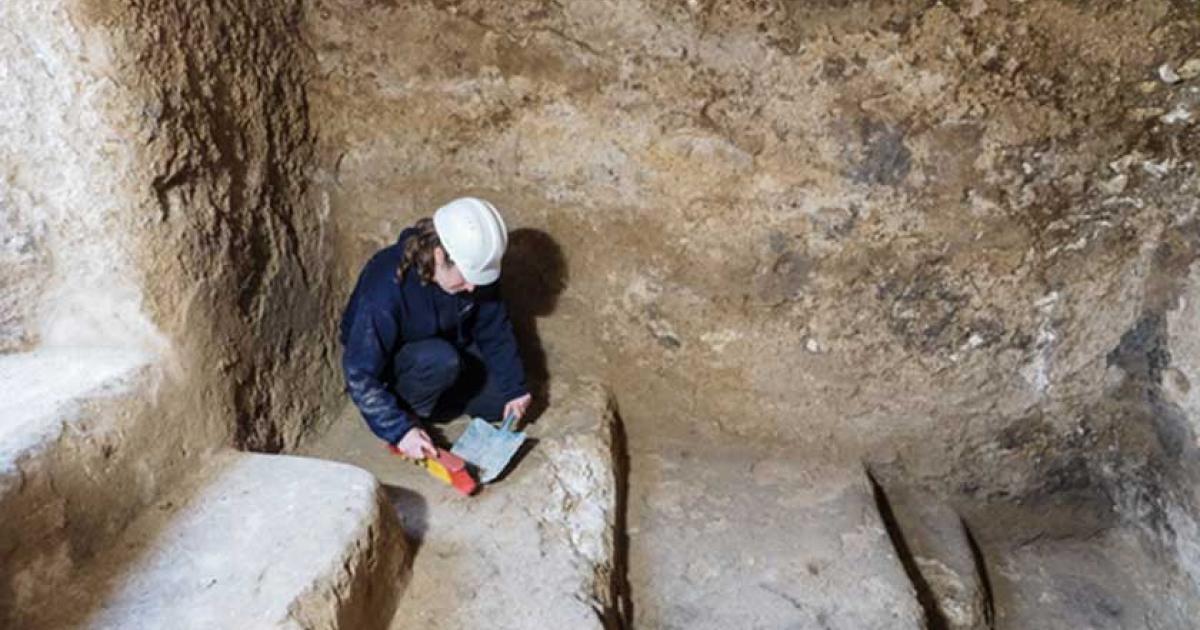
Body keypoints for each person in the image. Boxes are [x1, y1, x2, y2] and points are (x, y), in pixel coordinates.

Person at [339, 197, 531, 459]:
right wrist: (399, 430)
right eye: (467, 277)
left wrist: (515, 389)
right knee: (439, 359)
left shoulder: (472, 270)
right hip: (403, 366)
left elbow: (494, 329)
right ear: (439, 255)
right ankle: (409, 412)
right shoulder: (384, 287)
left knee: (499, 400)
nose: (472, 287)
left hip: (449, 350)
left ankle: (440, 402)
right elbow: (359, 371)